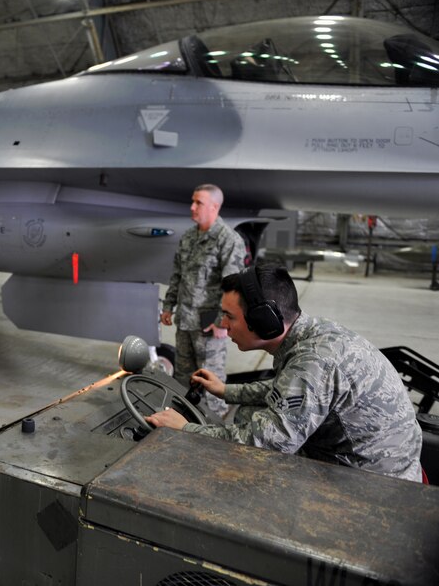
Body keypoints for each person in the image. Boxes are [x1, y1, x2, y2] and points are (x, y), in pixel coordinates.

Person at [147, 264, 424, 482]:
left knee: (242, 453)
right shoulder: (313, 333)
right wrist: (226, 390)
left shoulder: (312, 363)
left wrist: (185, 430)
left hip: (376, 481)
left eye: (230, 316)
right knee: (245, 413)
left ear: (264, 321)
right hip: (385, 459)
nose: (223, 325)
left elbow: (263, 445)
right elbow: (287, 390)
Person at [160, 183, 247, 417]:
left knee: (211, 383)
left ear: (214, 206)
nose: (192, 207)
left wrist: (222, 321)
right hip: (185, 322)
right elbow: (177, 274)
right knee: (182, 380)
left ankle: (215, 431)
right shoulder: (189, 236)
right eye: (193, 201)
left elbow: (233, 286)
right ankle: (183, 423)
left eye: (198, 202)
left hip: (209, 325)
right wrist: (168, 306)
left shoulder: (228, 240)